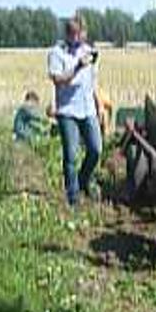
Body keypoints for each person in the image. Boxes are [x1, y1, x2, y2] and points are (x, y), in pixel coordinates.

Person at [47, 15, 101, 205]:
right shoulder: (57, 53)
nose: (77, 38)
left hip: (88, 109)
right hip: (68, 110)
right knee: (71, 154)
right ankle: (73, 195)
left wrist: (99, 105)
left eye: (81, 33)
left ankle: (83, 179)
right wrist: (78, 66)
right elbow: (59, 80)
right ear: (68, 33)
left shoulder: (89, 52)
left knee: (95, 150)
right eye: (74, 34)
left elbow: (93, 82)